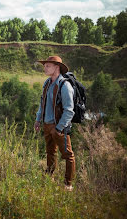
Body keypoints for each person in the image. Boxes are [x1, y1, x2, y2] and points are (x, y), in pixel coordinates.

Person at [34, 56, 75, 191]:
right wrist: (38, 119)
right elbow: (42, 103)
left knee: (68, 155)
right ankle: (49, 177)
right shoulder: (47, 83)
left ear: (57, 67)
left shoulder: (65, 85)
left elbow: (69, 110)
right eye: (45, 65)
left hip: (58, 126)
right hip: (46, 124)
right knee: (50, 152)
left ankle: (68, 184)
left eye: (48, 66)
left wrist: (59, 128)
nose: (45, 68)